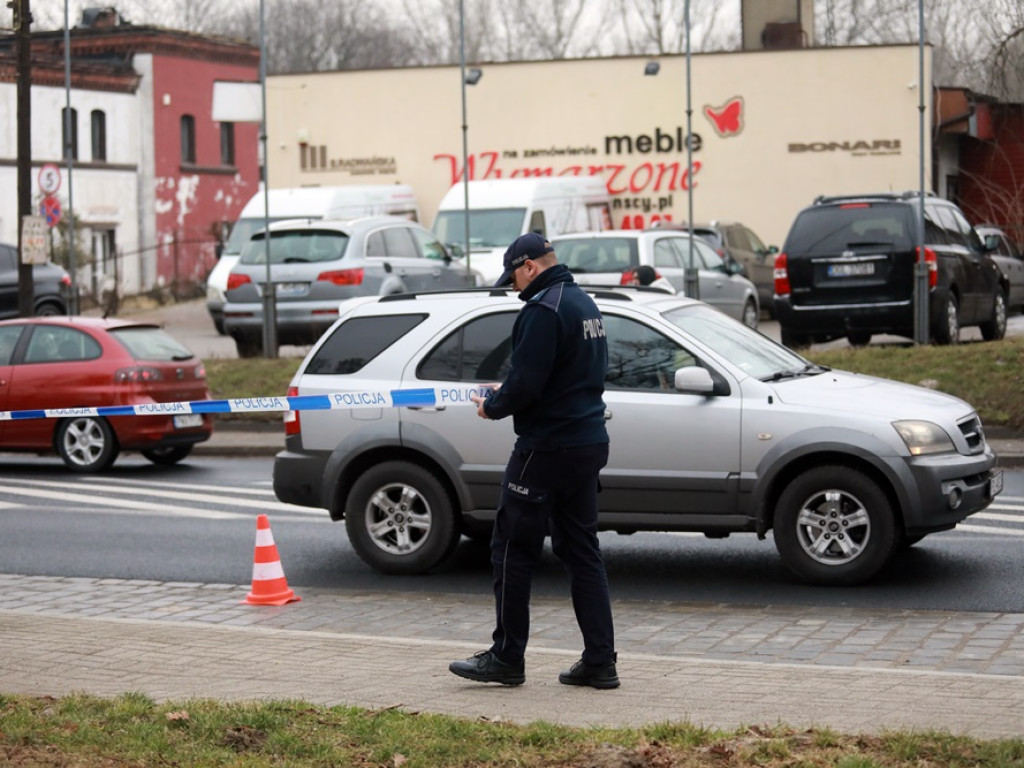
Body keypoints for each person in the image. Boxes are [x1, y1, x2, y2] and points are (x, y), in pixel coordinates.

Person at [448, 232, 618, 690]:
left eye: (514, 278)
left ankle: (506, 658)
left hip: (545, 448)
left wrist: (493, 406)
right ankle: (600, 661)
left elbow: (525, 385)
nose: (514, 288)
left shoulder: (543, 310)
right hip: (587, 443)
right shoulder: (586, 305)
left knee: (511, 550)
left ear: (530, 267)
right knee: (582, 551)